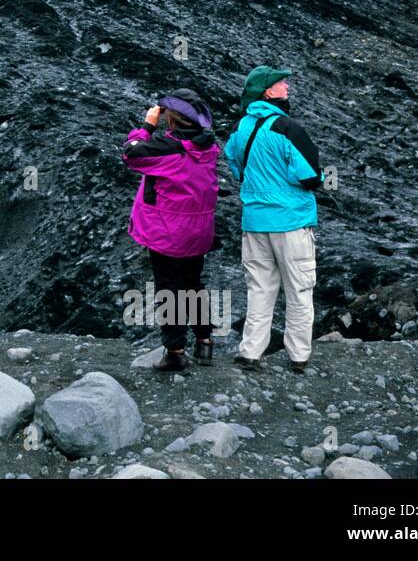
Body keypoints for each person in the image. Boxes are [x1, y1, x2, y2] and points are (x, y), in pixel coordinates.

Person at [224, 66, 323, 373]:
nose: (287, 86)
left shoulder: (240, 130)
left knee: (259, 288)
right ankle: (298, 356)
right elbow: (310, 177)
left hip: (254, 222)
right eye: (281, 83)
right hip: (290, 222)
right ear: (268, 92)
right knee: (299, 290)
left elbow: (236, 167)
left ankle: (251, 351)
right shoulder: (287, 127)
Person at [123, 89, 220, 372]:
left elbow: (131, 155)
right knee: (193, 284)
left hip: (168, 232)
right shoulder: (208, 147)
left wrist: (146, 126)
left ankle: (175, 351)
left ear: (172, 121)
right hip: (199, 230)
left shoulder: (168, 149)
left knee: (169, 290)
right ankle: (205, 342)